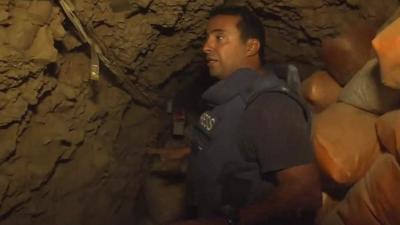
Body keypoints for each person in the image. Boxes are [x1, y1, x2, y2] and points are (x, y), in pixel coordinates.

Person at [161, 5, 321, 225]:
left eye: (219, 37)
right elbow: (239, 143)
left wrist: (225, 222)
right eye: (207, 38)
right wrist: (188, 152)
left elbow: (303, 194)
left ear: (251, 47)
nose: (206, 47)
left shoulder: (270, 105)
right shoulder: (230, 99)